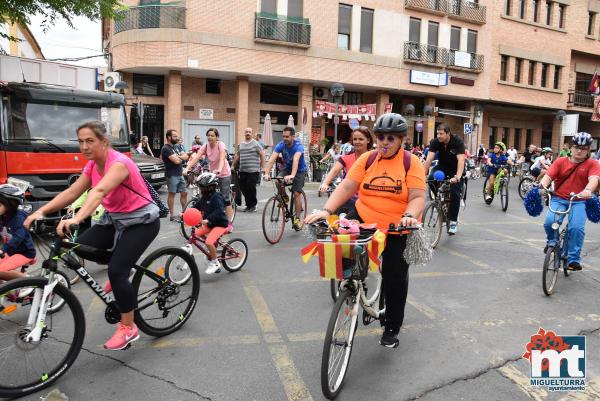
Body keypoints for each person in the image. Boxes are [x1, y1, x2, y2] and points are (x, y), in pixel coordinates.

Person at [24, 121, 161, 350]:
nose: (84, 146)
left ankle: (129, 327)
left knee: (117, 272)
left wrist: (77, 219)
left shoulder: (119, 163)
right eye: (80, 142)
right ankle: (122, 267)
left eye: (90, 141)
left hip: (141, 221)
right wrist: (40, 211)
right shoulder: (92, 166)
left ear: (104, 142)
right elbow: (72, 191)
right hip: (115, 219)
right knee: (76, 247)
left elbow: (99, 192)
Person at [306, 113, 426, 348]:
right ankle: (354, 284)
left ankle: (391, 325)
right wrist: (327, 210)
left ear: (401, 139)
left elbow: (418, 196)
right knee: (339, 246)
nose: (384, 142)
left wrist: (409, 216)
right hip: (363, 217)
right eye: (381, 137)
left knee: (395, 276)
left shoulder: (411, 163)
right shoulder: (368, 159)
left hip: (397, 225)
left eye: (391, 138)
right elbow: (348, 186)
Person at [539, 132, 600, 271]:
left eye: (583, 148)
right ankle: (552, 243)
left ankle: (573, 259)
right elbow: (548, 177)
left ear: (588, 149)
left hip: (580, 201)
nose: (579, 150)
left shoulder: (593, 163)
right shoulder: (560, 161)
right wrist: (542, 186)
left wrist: (588, 190)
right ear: (571, 147)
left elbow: (594, 180)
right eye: (576, 147)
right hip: (559, 198)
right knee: (549, 222)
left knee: (576, 228)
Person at [423, 123, 466, 235]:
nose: (439, 136)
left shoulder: (457, 141)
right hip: (442, 167)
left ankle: (453, 221)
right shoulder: (436, 142)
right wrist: (422, 176)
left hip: (455, 169)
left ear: (448, 133)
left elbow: (461, 160)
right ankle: (439, 199)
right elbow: (429, 160)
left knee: (455, 193)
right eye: (437, 133)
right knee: (431, 178)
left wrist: (457, 177)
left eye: (441, 133)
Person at [318, 126, 374, 210]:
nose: (357, 142)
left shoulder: (374, 157)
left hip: (368, 200)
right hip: (349, 198)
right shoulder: (346, 157)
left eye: (361, 139)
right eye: (355, 139)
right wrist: (325, 183)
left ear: (368, 140)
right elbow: (334, 170)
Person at [263, 126, 307, 230]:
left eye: (287, 136)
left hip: (300, 171)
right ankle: (285, 197)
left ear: (293, 136)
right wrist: (266, 173)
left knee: (297, 193)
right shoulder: (281, 145)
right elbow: (272, 159)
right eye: (283, 136)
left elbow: (296, 160)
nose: (284, 138)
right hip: (287, 169)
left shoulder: (298, 146)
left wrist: (292, 175)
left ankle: (297, 219)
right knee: (278, 180)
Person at [186, 128, 234, 222]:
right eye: (208, 135)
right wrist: (187, 168)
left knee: (225, 198)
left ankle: (228, 223)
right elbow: (196, 158)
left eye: (212, 135)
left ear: (217, 137)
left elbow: (221, 158)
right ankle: (208, 218)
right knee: (208, 196)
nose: (210, 137)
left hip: (224, 173)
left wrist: (219, 169)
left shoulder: (221, 144)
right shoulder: (206, 146)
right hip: (213, 174)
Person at [190, 173, 229, 274]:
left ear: (211, 187)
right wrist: (185, 213)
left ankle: (215, 262)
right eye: (200, 187)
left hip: (220, 224)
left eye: (203, 187)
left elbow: (219, 212)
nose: (201, 189)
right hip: (210, 224)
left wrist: (207, 220)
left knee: (208, 241)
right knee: (196, 234)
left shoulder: (217, 197)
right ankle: (212, 248)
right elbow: (196, 206)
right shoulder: (204, 197)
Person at [0, 185, 35, 282]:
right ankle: (11, 294)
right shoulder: (3, 216)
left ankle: (31, 281)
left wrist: (3, 250)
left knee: (1, 272)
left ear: (9, 205)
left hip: (24, 253)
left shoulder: (19, 217)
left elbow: (18, 238)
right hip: (11, 252)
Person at [233, 127, 265, 212]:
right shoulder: (241, 144)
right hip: (242, 170)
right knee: (243, 188)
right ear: (244, 133)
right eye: (246, 132)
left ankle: (253, 205)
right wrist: (233, 166)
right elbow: (237, 156)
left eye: (249, 132)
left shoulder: (256, 144)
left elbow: (262, 154)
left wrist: (263, 166)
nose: (248, 133)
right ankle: (248, 205)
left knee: (250, 187)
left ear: (252, 133)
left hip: (253, 170)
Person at [161, 129, 189, 221]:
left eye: (177, 136)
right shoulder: (166, 148)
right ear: (169, 137)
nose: (177, 138)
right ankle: (172, 215)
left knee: (184, 193)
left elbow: (186, 156)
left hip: (179, 173)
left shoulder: (176, 147)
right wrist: (181, 157)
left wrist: (179, 157)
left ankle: (184, 213)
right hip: (171, 174)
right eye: (175, 136)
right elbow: (176, 161)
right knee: (172, 194)